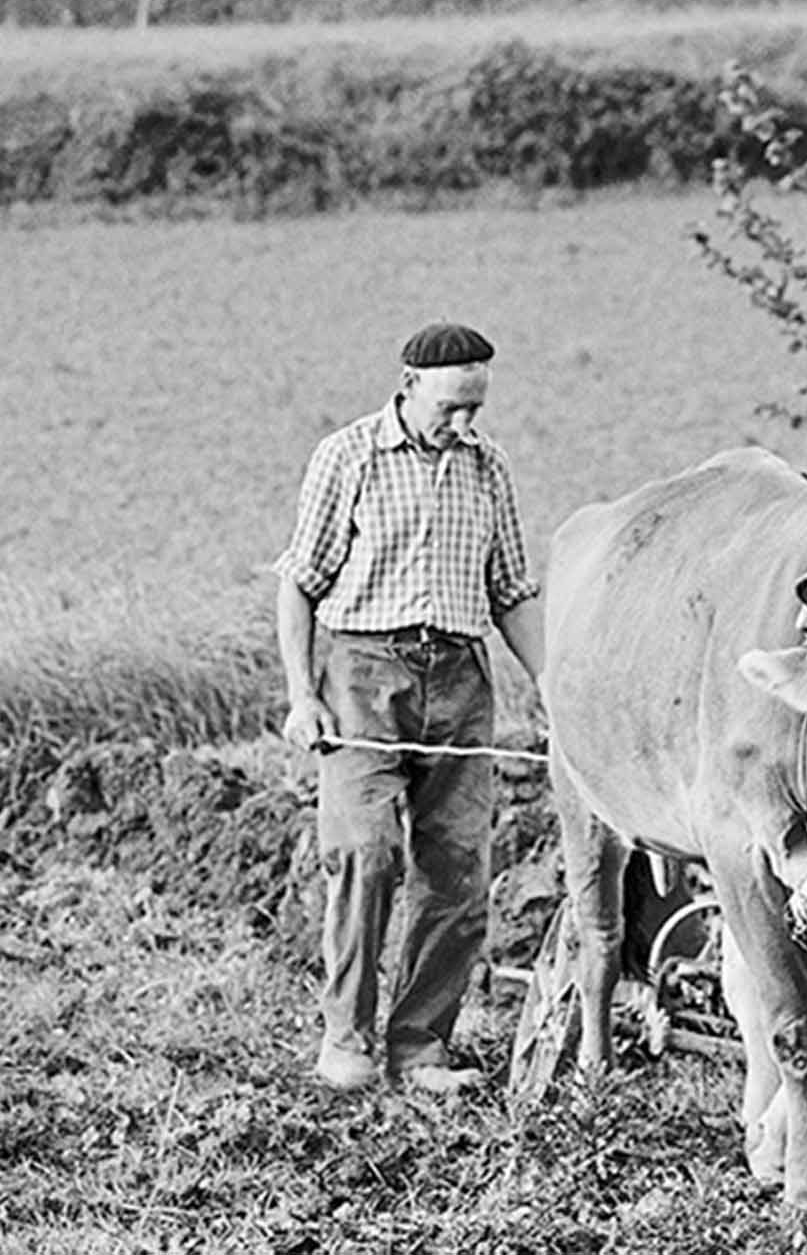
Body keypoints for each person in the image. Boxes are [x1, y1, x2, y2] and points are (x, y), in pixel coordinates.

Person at [273, 321, 544, 1095]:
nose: (464, 423)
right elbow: (300, 580)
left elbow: (511, 592)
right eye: (452, 406)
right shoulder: (348, 456)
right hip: (363, 674)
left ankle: (420, 1047)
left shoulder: (489, 468)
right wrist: (301, 694)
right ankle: (346, 1038)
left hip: (460, 680)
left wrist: (554, 689)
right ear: (409, 385)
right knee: (366, 853)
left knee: (458, 870)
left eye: (476, 408)